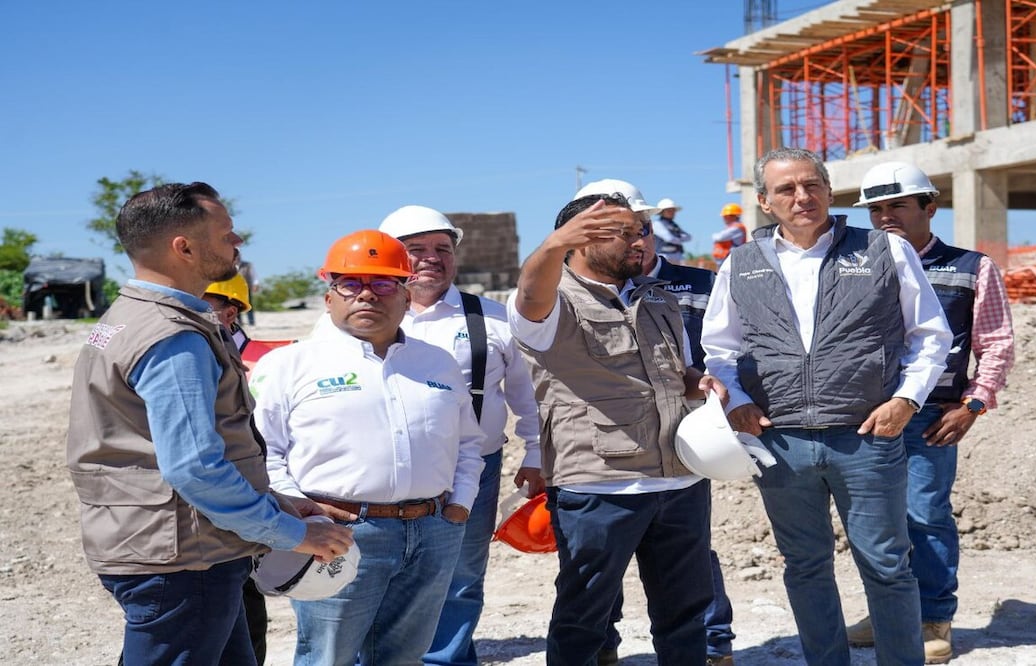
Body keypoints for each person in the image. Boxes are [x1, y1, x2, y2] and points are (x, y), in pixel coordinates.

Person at [66, 182, 355, 666]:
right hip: (181, 557)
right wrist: (288, 532)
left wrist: (276, 500)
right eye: (226, 233)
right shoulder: (171, 336)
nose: (237, 241)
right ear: (185, 247)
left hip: (170, 544)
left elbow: (145, 446)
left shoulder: (129, 317)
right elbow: (194, 468)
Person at [699, 148, 952, 666]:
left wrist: (906, 400)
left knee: (886, 565)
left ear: (828, 191)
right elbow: (719, 348)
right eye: (786, 189)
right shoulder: (740, 263)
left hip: (865, 437)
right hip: (781, 441)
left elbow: (930, 335)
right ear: (766, 203)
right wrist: (738, 404)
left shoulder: (883, 249)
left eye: (811, 185)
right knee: (805, 565)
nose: (801, 197)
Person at [249, 229, 485, 666]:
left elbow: (469, 443)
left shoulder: (437, 363)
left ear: (405, 295)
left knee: (404, 657)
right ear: (328, 297)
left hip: (434, 530)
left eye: (382, 284)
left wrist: (461, 506)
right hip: (338, 534)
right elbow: (267, 452)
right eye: (350, 285)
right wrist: (304, 513)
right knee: (327, 658)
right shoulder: (290, 364)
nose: (367, 296)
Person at [509, 178, 717, 665]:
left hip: (679, 479)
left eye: (643, 229)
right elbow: (529, 290)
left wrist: (701, 385)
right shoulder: (551, 303)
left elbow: (679, 372)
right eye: (626, 232)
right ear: (581, 238)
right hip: (599, 487)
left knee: (686, 612)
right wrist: (554, 244)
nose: (641, 240)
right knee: (585, 618)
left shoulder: (658, 298)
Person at [845, 161, 1015, 663]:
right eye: (876, 209)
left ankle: (933, 615)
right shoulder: (853, 268)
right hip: (865, 415)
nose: (884, 217)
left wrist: (974, 404)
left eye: (897, 205)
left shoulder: (970, 267)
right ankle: (890, 613)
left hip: (931, 415)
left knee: (925, 513)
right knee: (875, 520)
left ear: (929, 208)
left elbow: (996, 344)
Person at [375, 205, 544, 666]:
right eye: (416, 250)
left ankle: (445, 660)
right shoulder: (359, 316)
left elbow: (527, 394)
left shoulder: (493, 318)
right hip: (385, 474)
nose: (432, 258)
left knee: (462, 575)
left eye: (441, 249)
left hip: (475, 469)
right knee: (383, 573)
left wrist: (535, 451)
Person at [601, 219, 736, 666]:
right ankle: (603, 645)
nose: (631, 242)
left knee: (689, 551)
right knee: (605, 553)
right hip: (611, 444)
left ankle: (713, 642)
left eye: (638, 231)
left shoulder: (697, 283)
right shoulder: (579, 292)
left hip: (688, 433)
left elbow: (725, 346)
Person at [200, 272, 270, 666]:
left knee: (247, 616)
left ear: (231, 312)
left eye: (203, 301)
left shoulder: (268, 359)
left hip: (252, 504)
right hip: (200, 516)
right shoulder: (176, 351)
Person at [653, 197, 693, 264]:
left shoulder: (674, 225)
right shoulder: (657, 224)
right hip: (663, 256)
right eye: (669, 210)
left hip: (677, 256)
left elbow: (688, 237)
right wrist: (680, 238)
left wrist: (678, 239)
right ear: (662, 212)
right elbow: (669, 238)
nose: (672, 212)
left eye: (673, 210)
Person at [238, 258, 258, 326]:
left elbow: (253, 275)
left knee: (248, 304)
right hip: (233, 288)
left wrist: (255, 284)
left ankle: (251, 321)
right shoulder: (230, 265)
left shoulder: (247, 265)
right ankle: (239, 322)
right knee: (235, 304)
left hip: (246, 287)